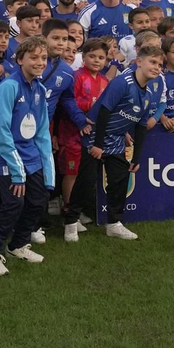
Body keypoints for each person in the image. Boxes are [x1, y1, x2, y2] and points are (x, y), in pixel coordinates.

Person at [69, 41, 164, 242]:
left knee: (119, 182)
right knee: (86, 182)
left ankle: (114, 224)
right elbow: (104, 111)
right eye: (153, 62)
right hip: (97, 137)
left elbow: (140, 126)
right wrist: (98, 145)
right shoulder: (123, 82)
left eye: (160, 65)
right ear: (139, 61)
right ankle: (70, 221)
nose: (156, 67)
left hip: (117, 141)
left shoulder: (148, 94)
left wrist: (136, 157)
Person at [0, 35, 52, 275]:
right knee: (13, 203)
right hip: (6, 158)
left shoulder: (41, 89)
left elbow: (41, 132)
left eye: (43, 58)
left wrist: (48, 170)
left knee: (38, 200)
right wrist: (17, 172)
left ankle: (18, 245)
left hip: (30, 157)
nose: (40, 62)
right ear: (20, 59)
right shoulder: (8, 87)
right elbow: (1, 132)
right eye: (34, 57)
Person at [62, 38, 112, 232]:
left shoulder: (105, 81)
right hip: (72, 132)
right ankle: (68, 210)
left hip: (92, 136)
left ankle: (78, 209)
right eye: (92, 56)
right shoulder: (75, 77)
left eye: (101, 57)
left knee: (86, 175)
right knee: (71, 172)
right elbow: (67, 104)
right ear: (83, 56)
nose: (97, 60)